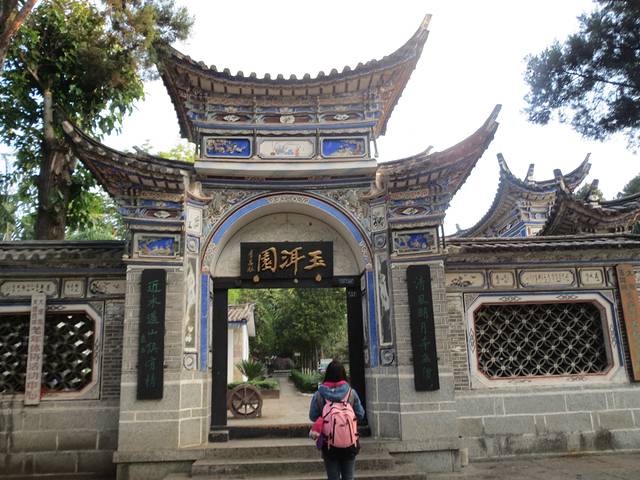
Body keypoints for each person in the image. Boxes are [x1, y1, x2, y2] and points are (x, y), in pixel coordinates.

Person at [309, 359, 365, 480]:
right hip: (350, 441)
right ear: (343, 374)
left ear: (327, 374)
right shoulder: (351, 393)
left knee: (333, 477)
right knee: (349, 477)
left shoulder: (319, 394)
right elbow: (360, 415)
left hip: (328, 444)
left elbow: (312, 416)